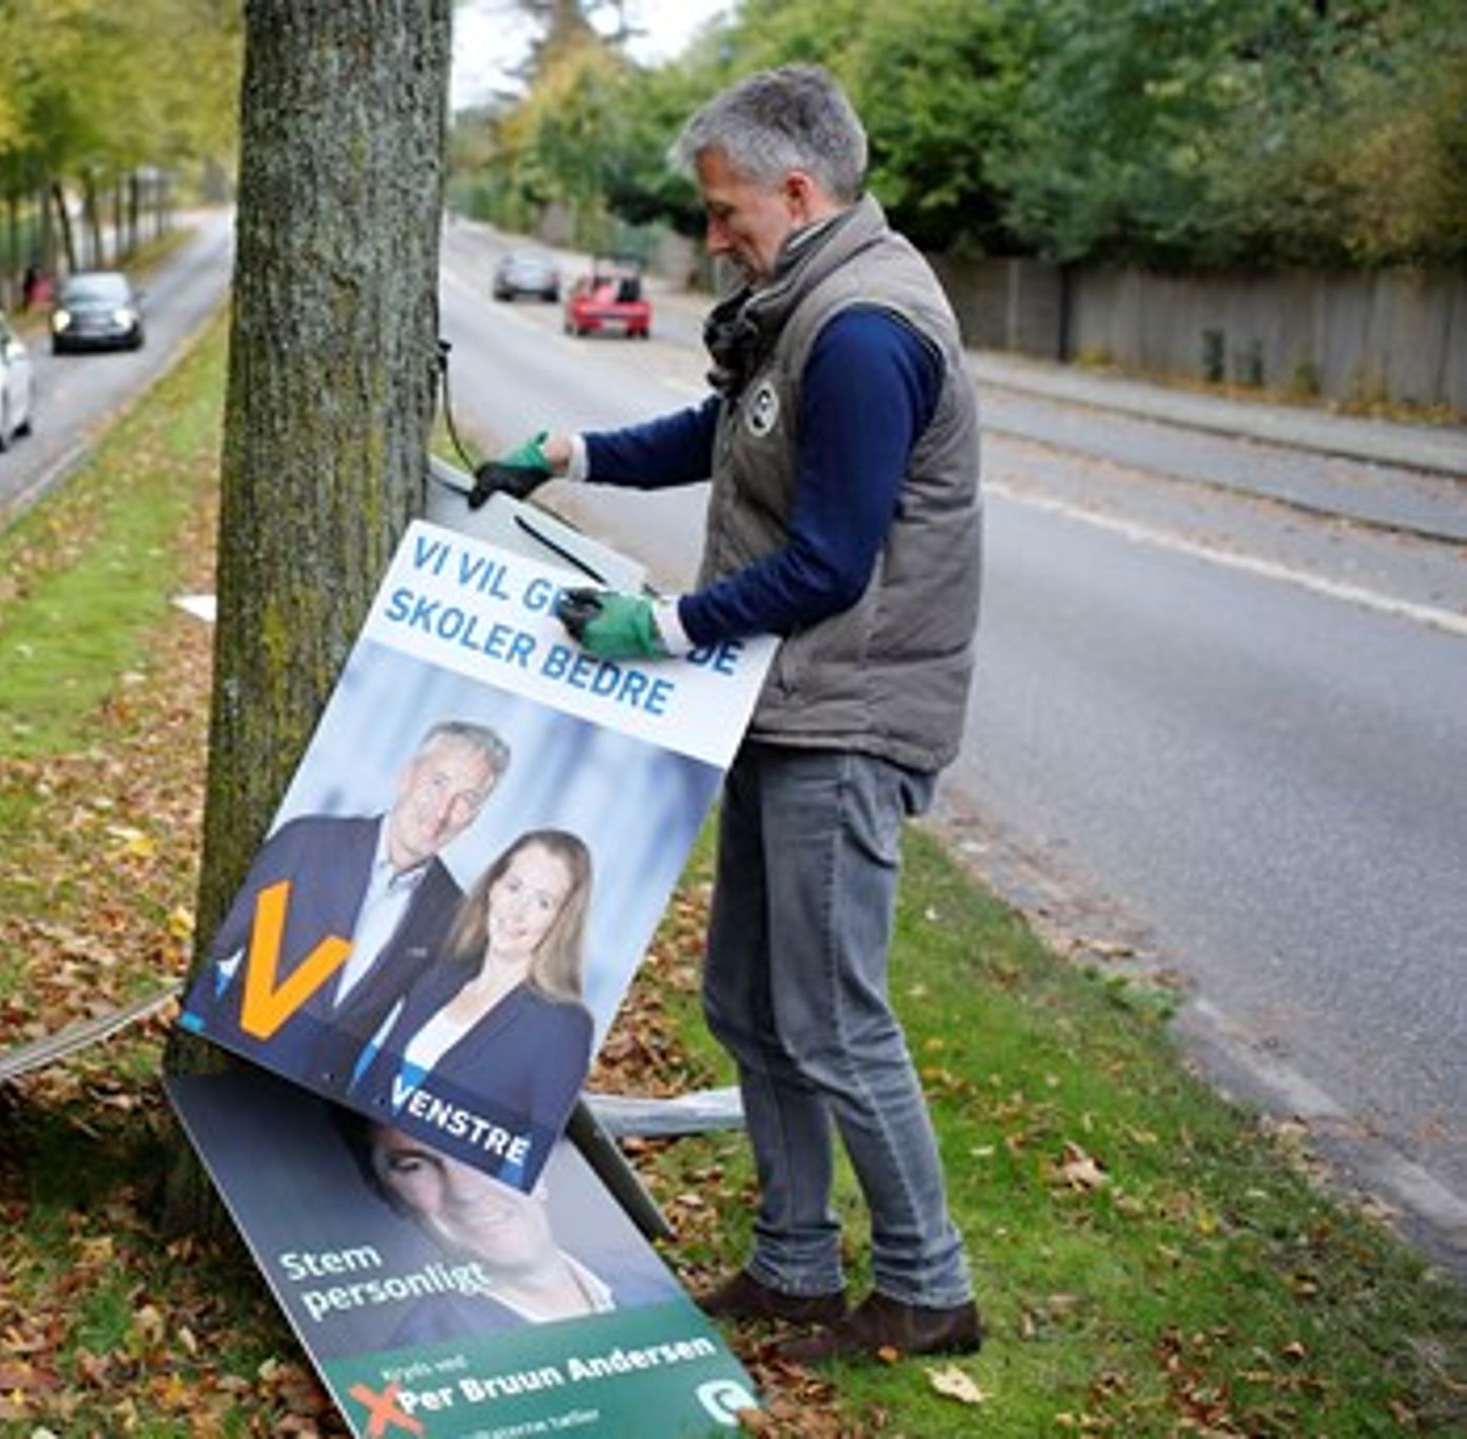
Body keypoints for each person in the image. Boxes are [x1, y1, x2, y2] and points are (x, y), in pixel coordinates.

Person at [469, 64, 984, 1363]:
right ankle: (795, 1264)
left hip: (846, 719)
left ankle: (928, 1282)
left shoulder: (867, 330)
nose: (711, 235)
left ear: (797, 191)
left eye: (723, 209)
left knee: (831, 1013)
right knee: (746, 1000)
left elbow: (830, 562)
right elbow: (732, 429)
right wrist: (572, 456)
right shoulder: (805, 311)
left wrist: (672, 624)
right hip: (780, 710)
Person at [194, 720, 511, 1096]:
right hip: (227, 1066)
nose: (442, 812)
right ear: (407, 777)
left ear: (476, 816)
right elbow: (215, 945)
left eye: (467, 800)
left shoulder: (454, 914)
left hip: (322, 1106)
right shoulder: (306, 841)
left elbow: (413, 1039)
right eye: (438, 782)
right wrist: (199, 1041)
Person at [349, 830, 597, 1187]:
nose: (518, 910)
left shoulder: (562, 1026)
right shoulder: (440, 978)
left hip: (433, 1213)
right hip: (350, 1171)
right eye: (513, 887)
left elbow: (536, 1163)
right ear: (493, 887)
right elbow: (374, 1083)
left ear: (561, 922)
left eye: (543, 902)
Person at [335, 1111, 616, 1344]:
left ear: (538, 1163)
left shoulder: (648, 1278)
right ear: (388, 1195)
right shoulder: (422, 1355)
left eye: (480, 1147)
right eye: (414, 1166)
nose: (465, 1192)